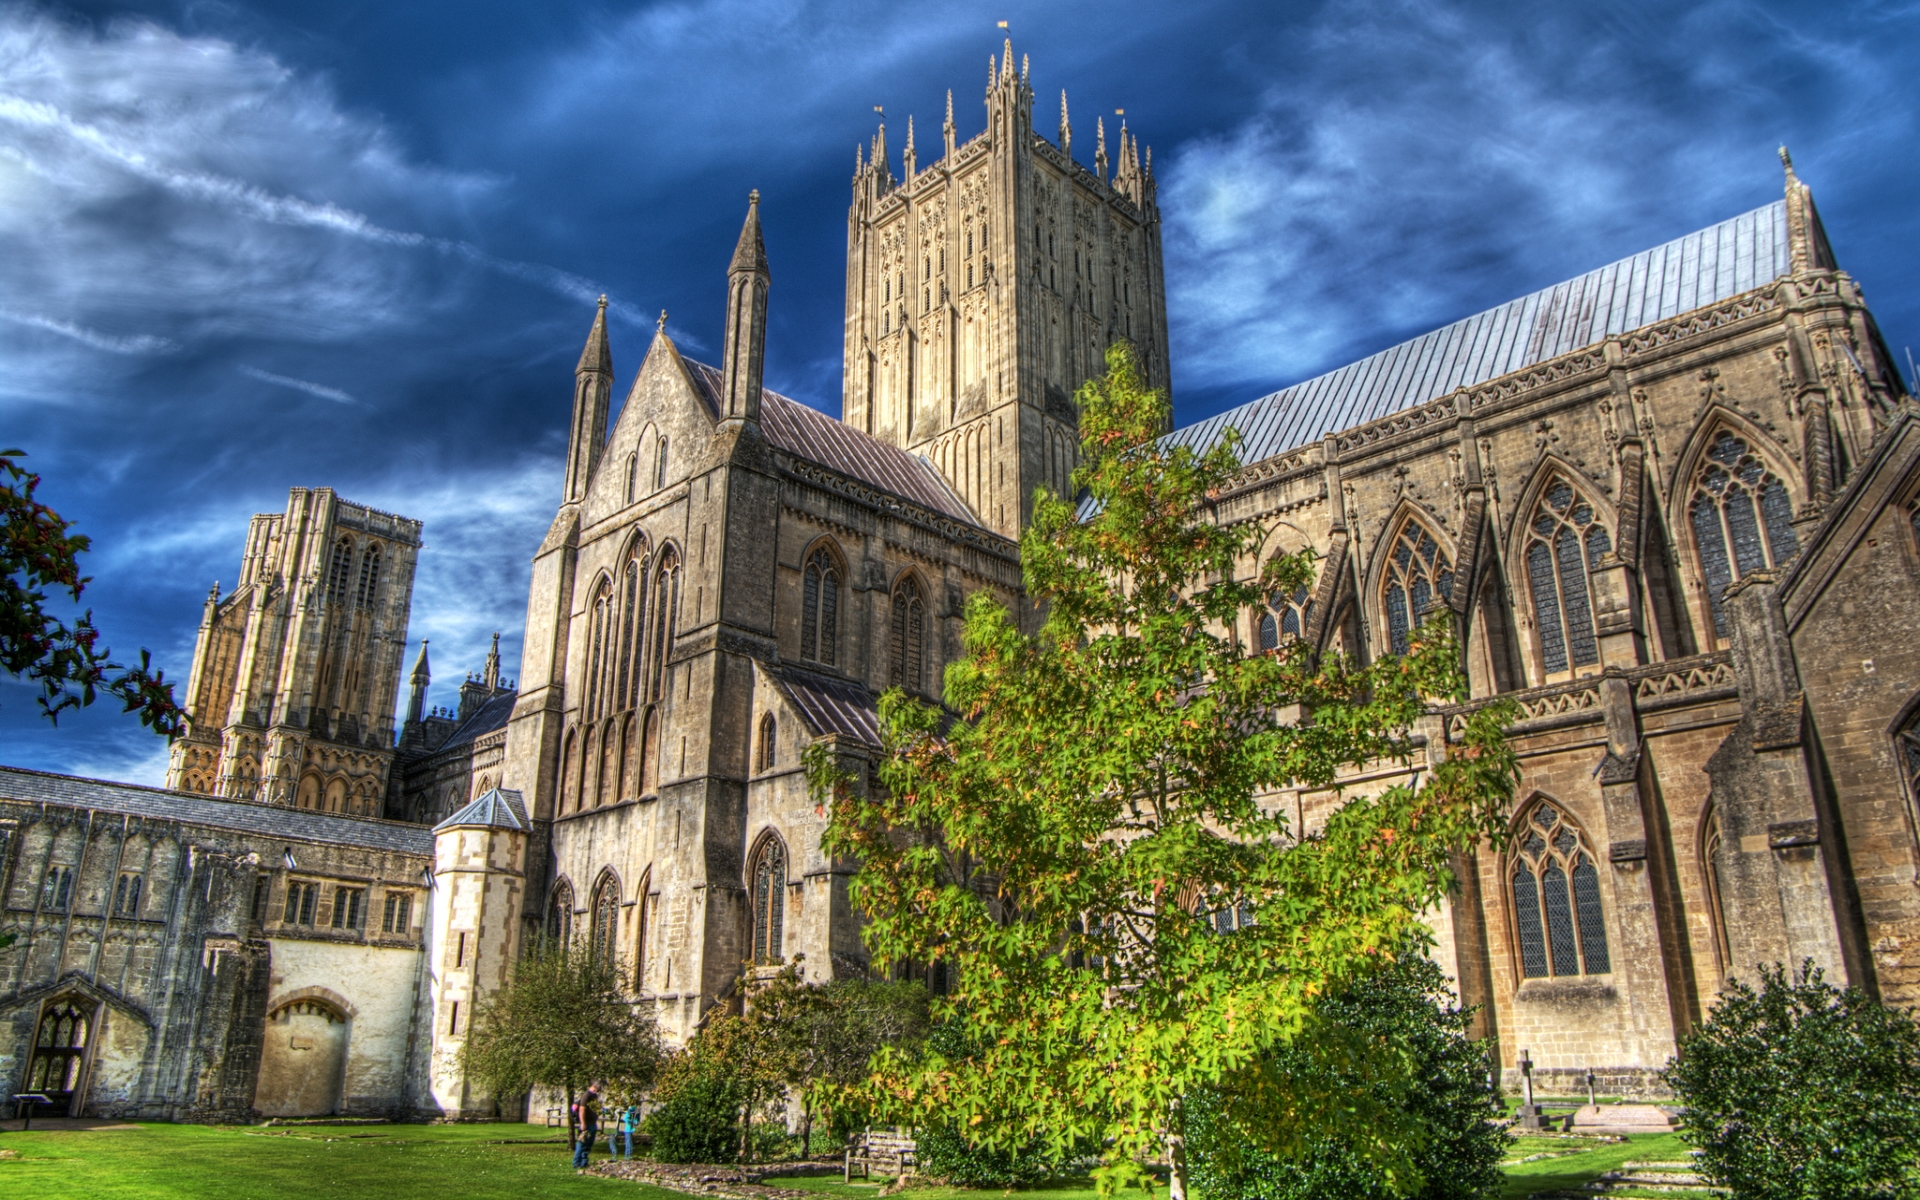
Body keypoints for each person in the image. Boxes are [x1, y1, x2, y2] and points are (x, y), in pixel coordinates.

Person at [571, 1084, 601, 1171]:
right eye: (596, 1088)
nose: (596, 1090)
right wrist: (583, 1123)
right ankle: (576, 1163)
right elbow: (582, 1110)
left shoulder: (594, 1097)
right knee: (582, 1143)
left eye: (598, 1089)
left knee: (588, 1144)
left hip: (592, 1123)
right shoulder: (586, 1095)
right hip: (586, 1123)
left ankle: (584, 1163)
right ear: (593, 1086)